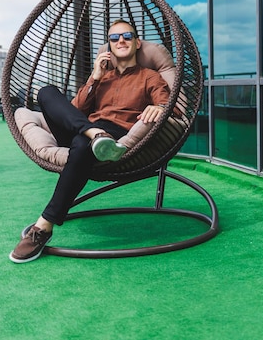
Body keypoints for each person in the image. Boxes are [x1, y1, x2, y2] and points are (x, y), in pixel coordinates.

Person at [9, 19, 171, 263]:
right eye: (114, 38)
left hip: (113, 135)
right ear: (109, 46)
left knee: (83, 147)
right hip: (84, 130)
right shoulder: (102, 78)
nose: (121, 41)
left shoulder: (149, 77)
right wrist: (94, 77)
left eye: (127, 36)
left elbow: (168, 104)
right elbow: (74, 110)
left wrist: (160, 108)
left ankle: (44, 226)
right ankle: (94, 135)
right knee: (46, 92)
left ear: (137, 43)